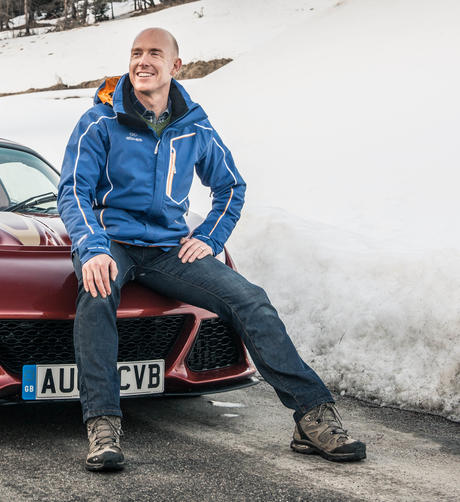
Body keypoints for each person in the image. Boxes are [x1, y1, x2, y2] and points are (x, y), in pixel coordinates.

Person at [56, 27, 366, 472]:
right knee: (97, 293)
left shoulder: (194, 126)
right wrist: (91, 247)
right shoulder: (100, 121)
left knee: (251, 300)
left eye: (154, 53)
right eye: (137, 52)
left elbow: (231, 186)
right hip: (111, 242)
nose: (143, 61)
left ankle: (312, 414)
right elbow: (74, 191)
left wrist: (208, 238)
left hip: (167, 248)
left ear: (175, 65)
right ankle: (103, 424)